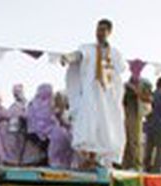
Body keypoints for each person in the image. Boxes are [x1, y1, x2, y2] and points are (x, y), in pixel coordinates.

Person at [63, 19, 126, 169]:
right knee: (88, 124)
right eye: (98, 29)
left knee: (106, 127)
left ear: (109, 32)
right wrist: (67, 58)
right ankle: (89, 157)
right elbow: (78, 55)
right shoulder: (88, 49)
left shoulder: (116, 54)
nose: (99, 33)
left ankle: (98, 159)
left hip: (107, 96)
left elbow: (120, 70)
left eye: (103, 30)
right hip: (91, 93)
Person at [122, 78, 152, 171]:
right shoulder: (127, 86)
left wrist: (137, 93)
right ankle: (129, 164)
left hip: (134, 115)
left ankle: (134, 165)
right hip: (128, 114)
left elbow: (148, 99)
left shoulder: (142, 84)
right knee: (130, 141)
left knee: (134, 141)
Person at [24, 83, 55, 166]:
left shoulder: (32, 103)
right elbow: (51, 119)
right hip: (44, 133)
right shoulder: (50, 103)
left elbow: (27, 116)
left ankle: (44, 158)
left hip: (31, 132)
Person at [1, 85, 28, 165]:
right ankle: (14, 161)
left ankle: (16, 161)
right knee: (14, 146)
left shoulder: (23, 105)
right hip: (14, 129)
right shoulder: (15, 106)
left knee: (19, 146)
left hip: (20, 129)